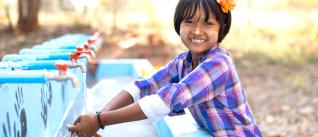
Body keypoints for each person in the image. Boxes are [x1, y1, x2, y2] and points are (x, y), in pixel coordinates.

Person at [68, 0, 262, 136]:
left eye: (208, 23)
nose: (197, 31)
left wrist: (100, 120)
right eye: (189, 21)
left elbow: (164, 101)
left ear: (222, 28)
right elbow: (144, 86)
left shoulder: (219, 64)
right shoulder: (183, 62)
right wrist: (97, 117)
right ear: (179, 25)